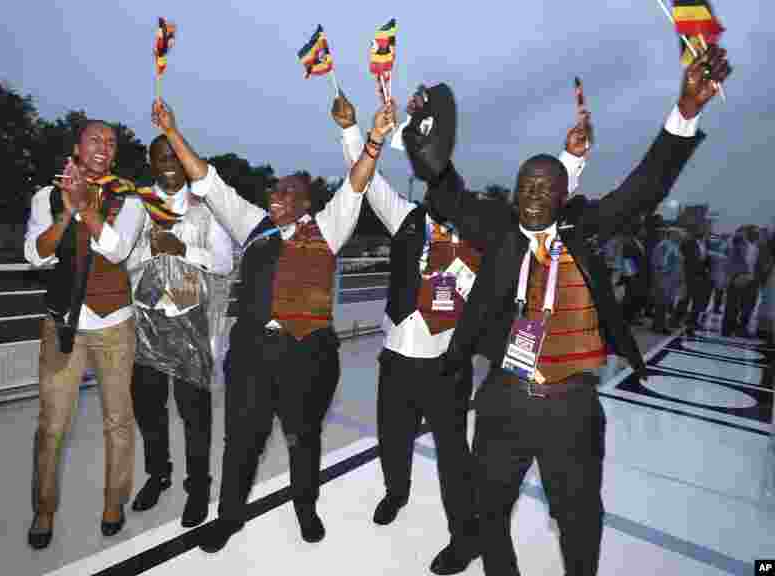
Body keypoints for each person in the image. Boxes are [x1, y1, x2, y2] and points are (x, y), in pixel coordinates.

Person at [403, 46, 730, 575]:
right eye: (524, 187)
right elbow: (448, 195)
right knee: (489, 509)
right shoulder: (501, 233)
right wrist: (423, 136)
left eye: (545, 189)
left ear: (563, 196)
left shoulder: (586, 233)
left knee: (578, 518)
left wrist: (685, 112)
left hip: (570, 408)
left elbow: (646, 186)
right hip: (503, 402)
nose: (533, 196)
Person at [332, 85, 587, 574]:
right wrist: (350, 130)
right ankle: (395, 491)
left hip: (446, 367)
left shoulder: (484, 238)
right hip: (395, 357)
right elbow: (368, 183)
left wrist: (570, 160)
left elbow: (542, 211)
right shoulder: (406, 218)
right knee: (392, 436)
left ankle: (463, 538)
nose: (438, 201)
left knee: (455, 460)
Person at [150, 95, 395, 552]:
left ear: (304, 204)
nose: (272, 196)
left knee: (303, 439)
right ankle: (228, 517)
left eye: (283, 192)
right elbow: (208, 181)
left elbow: (356, 185)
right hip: (251, 356)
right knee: (241, 440)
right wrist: (171, 131)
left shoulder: (329, 226)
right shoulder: (253, 226)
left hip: (309, 356)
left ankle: (306, 507)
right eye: (273, 191)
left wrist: (373, 137)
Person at [23, 120, 146, 547]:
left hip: (115, 323)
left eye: (111, 142)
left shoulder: (129, 198)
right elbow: (35, 254)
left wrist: (87, 207)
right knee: (52, 424)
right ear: (77, 146)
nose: (104, 147)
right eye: (95, 139)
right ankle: (43, 508)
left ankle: (114, 501)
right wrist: (68, 210)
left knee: (119, 421)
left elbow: (117, 248)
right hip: (63, 323)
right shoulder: (47, 194)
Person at [127, 135, 235, 528]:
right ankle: (158, 475)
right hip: (148, 322)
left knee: (195, 416)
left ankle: (199, 487)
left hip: (191, 321)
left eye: (175, 156)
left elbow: (223, 263)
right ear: (151, 162)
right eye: (161, 158)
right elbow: (121, 259)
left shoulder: (206, 205)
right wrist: (148, 253)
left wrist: (183, 250)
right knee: (150, 412)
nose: (169, 163)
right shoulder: (136, 205)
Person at [675, 222, 712, 335]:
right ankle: (675, 321)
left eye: (706, 229)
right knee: (684, 300)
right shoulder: (687, 243)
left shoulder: (706, 243)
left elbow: (705, 258)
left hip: (702, 276)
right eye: (704, 228)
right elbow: (683, 260)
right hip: (689, 275)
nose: (706, 231)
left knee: (698, 302)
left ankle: (692, 323)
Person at [652, 228, 683, 334]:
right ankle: (659, 326)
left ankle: (661, 324)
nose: (680, 237)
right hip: (665, 278)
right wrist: (660, 278)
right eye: (678, 235)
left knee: (665, 303)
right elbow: (660, 264)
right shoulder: (665, 245)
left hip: (670, 279)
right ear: (672, 235)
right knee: (661, 303)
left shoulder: (673, 245)